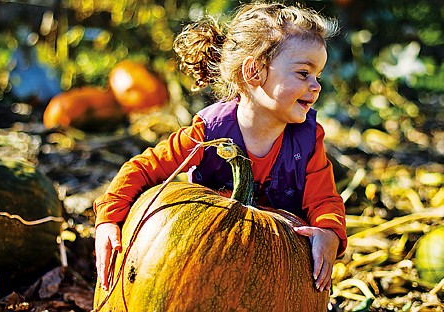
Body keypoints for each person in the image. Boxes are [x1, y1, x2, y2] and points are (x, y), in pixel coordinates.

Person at [94, 2, 347, 294]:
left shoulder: (307, 140)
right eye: (304, 73)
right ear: (254, 72)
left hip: (275, 277)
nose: (316, 86)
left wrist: (328, 232)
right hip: (200, 265)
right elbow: (143, 168)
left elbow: (324, 199)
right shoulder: (210, 133)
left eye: (318, 76)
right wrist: (109, 219)